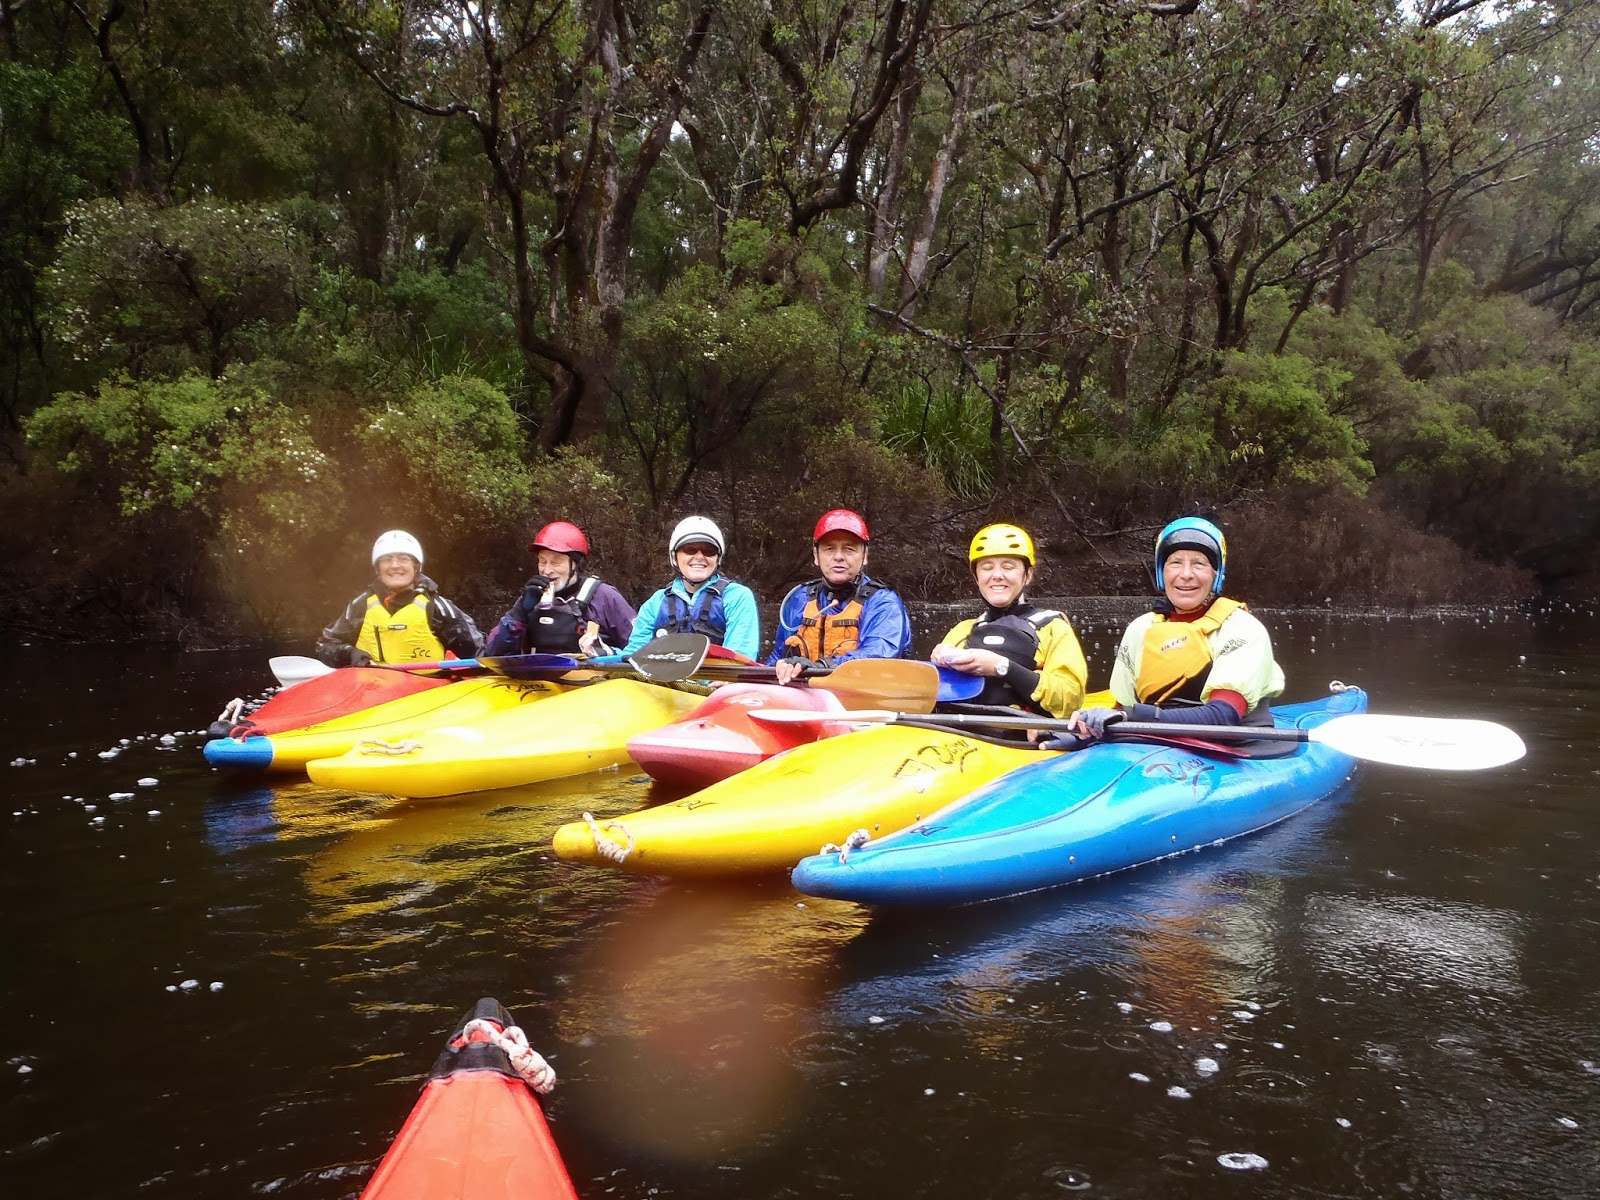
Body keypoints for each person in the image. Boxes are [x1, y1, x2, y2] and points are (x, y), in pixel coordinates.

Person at [1067, 516, 1284, 738]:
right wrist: (1081, 734)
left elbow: (1222, 716)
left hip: (1233, 744)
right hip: (1151, 739)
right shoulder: (1141, 629)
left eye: (1199, 563)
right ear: (1162, 572)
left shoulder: (1242, 628)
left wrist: (1131, 716)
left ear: (1216, 574)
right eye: (1175, 563)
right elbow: (1120, 709)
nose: (1186, 574)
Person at [929, 523, 1087, 718]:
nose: (997, 575)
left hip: (1024, 738)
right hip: (964, 735)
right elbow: (934, 694)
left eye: (1008, 566)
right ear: (977, 577)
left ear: (1027, 575)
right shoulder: (963, 631)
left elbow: (1069, 699)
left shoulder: (1052, 628)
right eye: (987, 568)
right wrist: (938, 663)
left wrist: (1001, 667)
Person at [767, 509, 914, 684]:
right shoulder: (800, 599)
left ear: (865, 556)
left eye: (849, 549)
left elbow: (878, 656)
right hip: (805, 697)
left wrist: (820, 667)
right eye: (829, 549)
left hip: (861, 698)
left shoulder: (883, 602)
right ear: (816, 556)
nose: (838, 557)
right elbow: (778, 656)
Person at [316, 530, 484, 667]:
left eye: (403, 559)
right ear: (378, 568)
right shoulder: (359, 606)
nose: (395, 565)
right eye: (387, 560)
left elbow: (479, 652)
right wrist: (349, 653)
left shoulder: (438, 607)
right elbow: (325, 645)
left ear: (416, 567)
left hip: (426, 695)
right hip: (371, 692)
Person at [612, 516, 761, 661]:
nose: (699, 557)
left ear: (717, 558)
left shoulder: (737, 596)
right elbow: (633, 655)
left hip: (717, 683)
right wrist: (607, 652)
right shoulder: (656, 602)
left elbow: (740, 654)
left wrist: (725, 682)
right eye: (690, 550)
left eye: (709, 551)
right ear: (675, 557)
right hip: (662, 683)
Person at [484, 521, 636, 657]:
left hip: (590, 684)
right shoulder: (531, 598)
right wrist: (519, 612)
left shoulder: (605, 597)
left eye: (556, 562)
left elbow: (640, 650)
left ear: (575, 565)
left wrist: (608, 653)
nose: (547, 570)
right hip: (540, 684)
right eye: (542, 562)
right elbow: (492, 654)